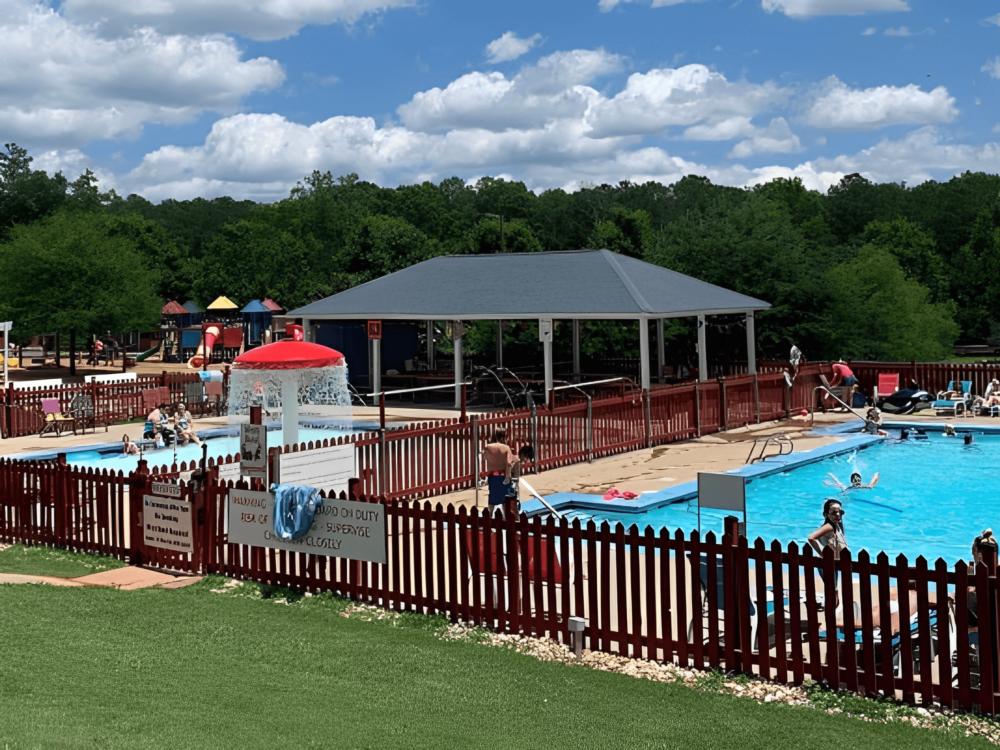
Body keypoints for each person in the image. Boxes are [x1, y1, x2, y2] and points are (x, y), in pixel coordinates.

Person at [483, 429, 515, 509]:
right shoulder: (506, 448)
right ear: (504, 437)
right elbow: (508, 464)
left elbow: (484, 458)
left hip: (492, 477)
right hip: (503, 476)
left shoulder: (488, 447)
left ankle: (489, 517)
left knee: (492, 499)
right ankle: (505, 518)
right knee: (505, 500)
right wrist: (508, 477)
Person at [503, 443, 535, 513]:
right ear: (523, 454)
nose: (527, 461)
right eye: (527, 458)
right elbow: (514, 479)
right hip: (510, 488)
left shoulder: (514, 458)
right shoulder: (517, 461)